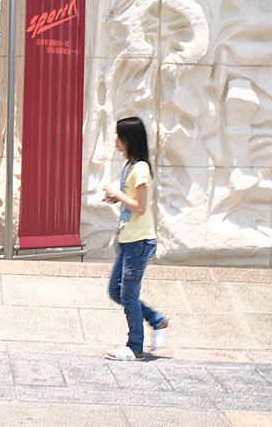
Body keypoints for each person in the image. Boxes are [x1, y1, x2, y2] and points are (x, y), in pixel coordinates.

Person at [102, 116, 170, 361]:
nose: (115, 140)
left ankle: (135, 347)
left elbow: (140, 206)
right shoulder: (130, 165)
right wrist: (115, 198)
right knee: (116, 291)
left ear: (130, 139)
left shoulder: (140, 168)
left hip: (139, 242)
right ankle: (156, 320)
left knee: (128, 294)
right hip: (129, 239)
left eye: (118, 136)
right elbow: (131, 202)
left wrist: (117, 194)